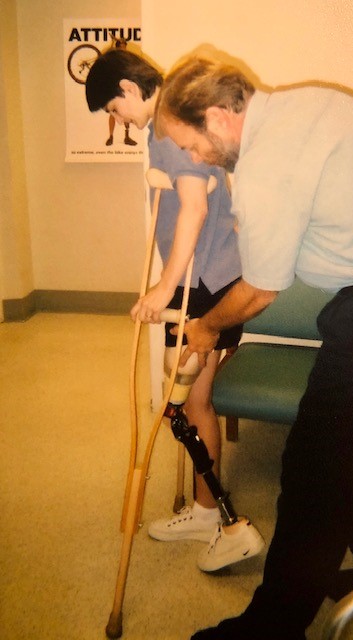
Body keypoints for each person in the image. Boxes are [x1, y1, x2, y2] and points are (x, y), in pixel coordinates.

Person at [155, 55, 353, 639]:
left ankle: (272, 627)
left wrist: (205, 327)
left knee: (317, 467)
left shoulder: (268, 165)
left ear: (218, 117)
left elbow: (258, 291)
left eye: (190, 144)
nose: (193, 159)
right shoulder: (315, 100)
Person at [85, 50, 264, 572]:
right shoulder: (164, 127)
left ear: (129, 87)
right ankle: (210, 511)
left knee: (186, 402)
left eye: (115, 108)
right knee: (190, 401)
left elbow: (195, 205)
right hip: (208, 277)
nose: (119, 120)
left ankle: (218, 516)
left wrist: (164, 288)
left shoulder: (169, 128)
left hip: (201, 284)